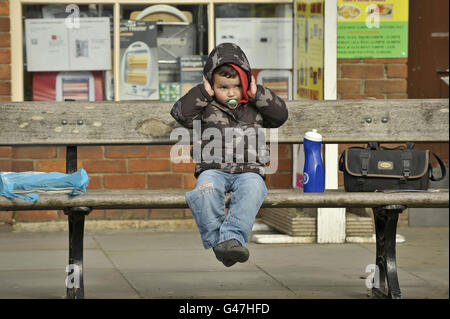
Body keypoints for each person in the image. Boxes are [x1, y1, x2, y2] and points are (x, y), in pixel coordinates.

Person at [170, 43, 288, 267]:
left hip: (249, 170)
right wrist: (203, 93)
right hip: (213, 169)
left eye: (236, 86)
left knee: (254, 190)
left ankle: (231, 238)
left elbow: (281, 116)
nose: (231, 92)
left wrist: (257, 93)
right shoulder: (205, 105)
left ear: (246, 84)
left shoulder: (256, 105)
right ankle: (223, 244)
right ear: (211, 84)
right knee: (204, 191)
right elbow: (180, 114)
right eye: (223, 87)